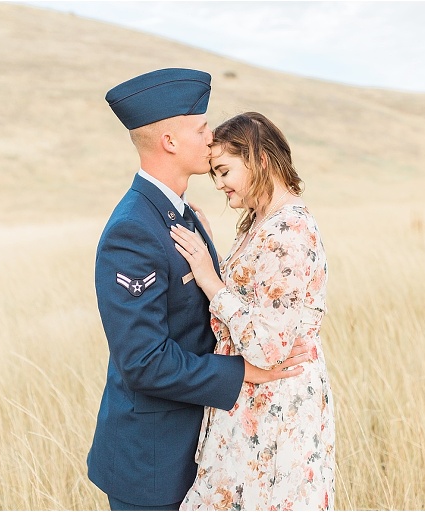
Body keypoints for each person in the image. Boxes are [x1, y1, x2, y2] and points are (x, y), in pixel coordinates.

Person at [87, 70, 311, 511]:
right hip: (153, 462)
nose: (211, 140)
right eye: (201, 129)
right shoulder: (133, 229)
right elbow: (143, 362)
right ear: (170, 141)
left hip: (203, 453)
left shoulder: (182, 213)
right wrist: (247, 371)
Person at [170, 111, 336, 510]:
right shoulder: (257, 222)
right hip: (249, 403)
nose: (219, 184)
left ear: (260, 159)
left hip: (276, 410)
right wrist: (211, 248)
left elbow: (268, 346)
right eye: (214, 174)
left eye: (225, 170)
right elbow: (251, 297)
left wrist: (210, 279)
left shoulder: (290, 230)